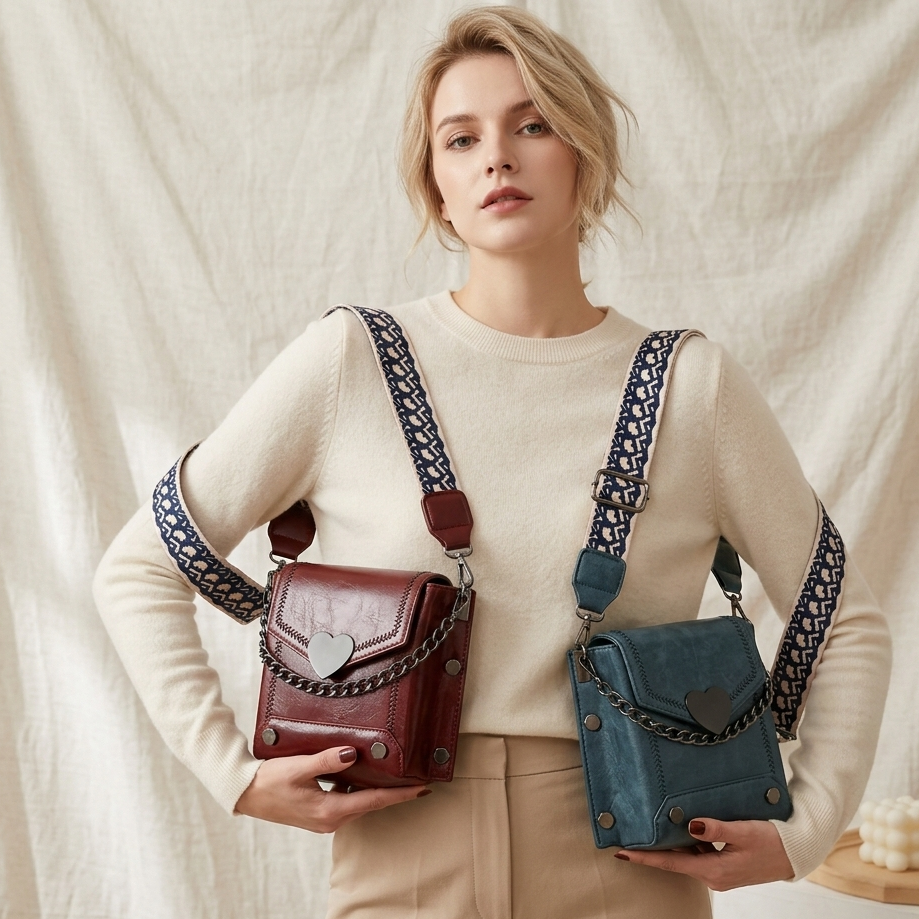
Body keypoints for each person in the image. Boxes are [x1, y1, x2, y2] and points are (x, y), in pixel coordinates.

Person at [94, 7, 891, 918]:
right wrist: (228, 768)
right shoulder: (348, 361)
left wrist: (809, 825)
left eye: (532, 123)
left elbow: (843, 620)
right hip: (402, 851)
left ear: (582, 152)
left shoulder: (690, 385)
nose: (496, 158)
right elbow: (139, 568)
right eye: (460, 137)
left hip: (629, 858)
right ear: (435, 186)